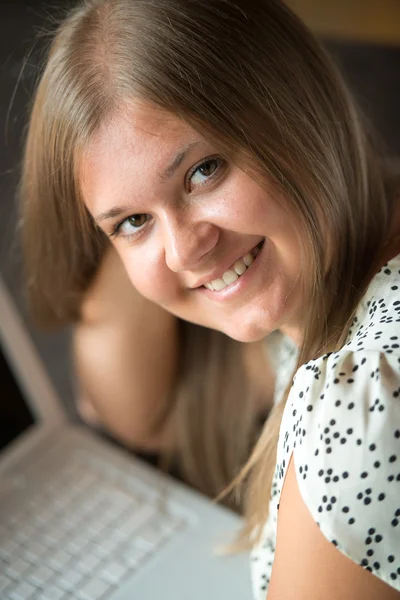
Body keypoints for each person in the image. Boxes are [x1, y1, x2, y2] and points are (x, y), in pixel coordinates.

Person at [20, 0, 400, 598]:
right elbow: (138, 409)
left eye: (205, 170)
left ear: (299, 105)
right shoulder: (356, 250)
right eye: (131, 223)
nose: (186, 251)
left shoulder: (366, 397)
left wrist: (143, 210)